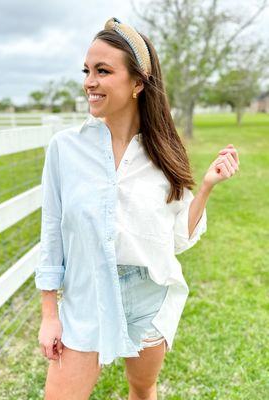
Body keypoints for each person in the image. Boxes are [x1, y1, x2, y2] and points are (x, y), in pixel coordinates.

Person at [35, 17, 240, 400]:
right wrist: (50, 315)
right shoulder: (65, 149)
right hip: (86, 295)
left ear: (137, 83)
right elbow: (51, 233)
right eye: (87, 71)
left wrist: (207, 188)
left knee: (142, 389)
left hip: (148, 295)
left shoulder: (163, 152)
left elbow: (177, 238)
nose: (89, 82)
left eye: (103, 71)